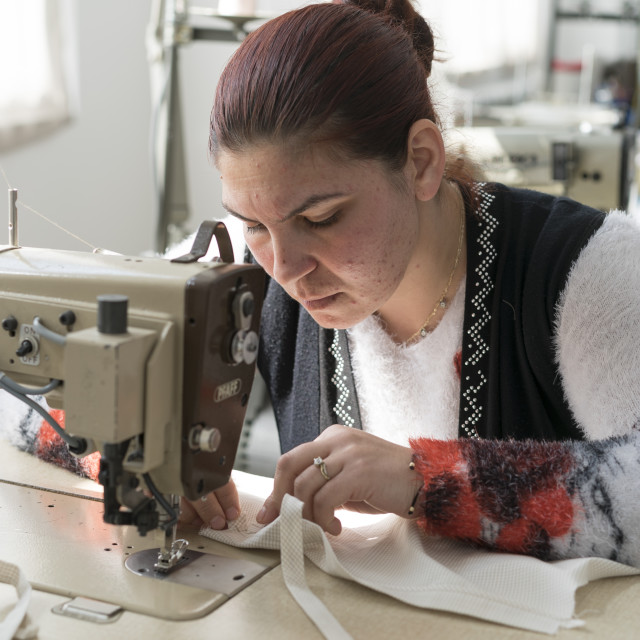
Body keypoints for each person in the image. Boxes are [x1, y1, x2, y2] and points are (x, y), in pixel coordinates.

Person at [180, 0, 640, 567]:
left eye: (322, 219)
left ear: (421, 162)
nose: (285, 267)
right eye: (253, 224)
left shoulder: (588, 268)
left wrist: (428, 480)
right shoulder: (240, 260)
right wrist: (136, 453)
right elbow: (45, 389)